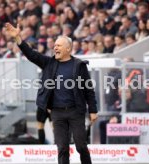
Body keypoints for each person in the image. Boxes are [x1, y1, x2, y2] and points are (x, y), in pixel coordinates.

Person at [5, 23, 98, 164]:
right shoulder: (49, 63)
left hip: (76, 111)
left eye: (59, 46)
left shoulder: (79, 65)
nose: (55, 48)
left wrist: (93, 110)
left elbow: (88, 89)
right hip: (57, 113)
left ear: (68, 48)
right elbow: (31, 54)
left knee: (81, 147)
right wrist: (18, 38)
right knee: (62, 148)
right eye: (54, 45)